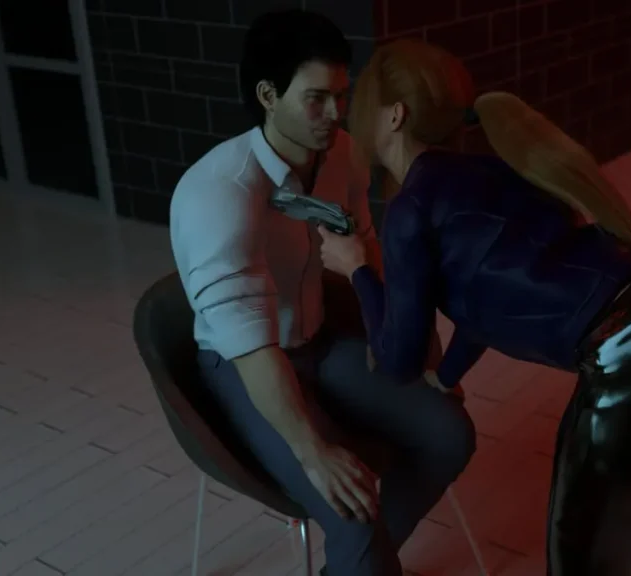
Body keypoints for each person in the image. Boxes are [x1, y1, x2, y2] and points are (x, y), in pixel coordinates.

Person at [315, 39, 631, 576]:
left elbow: (397, 360)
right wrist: (446, 376)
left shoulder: (411, 207)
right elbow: (487, 301)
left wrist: (356, 268)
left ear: (394, 116)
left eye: (361, 105)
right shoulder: (495, 170)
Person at [168, 13, 475, 576]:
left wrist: (422, 356)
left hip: (318, 340)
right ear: (268, 96)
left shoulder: (344, 155)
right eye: (316, 99)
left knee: (449, 433)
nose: (335, 113)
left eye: (341, 95)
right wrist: (314, 452)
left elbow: (371, 257)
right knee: (350, 510)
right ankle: (363, 556)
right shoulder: (218, 193)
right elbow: (251, 347)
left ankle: (357, 564)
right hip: (245, 362)